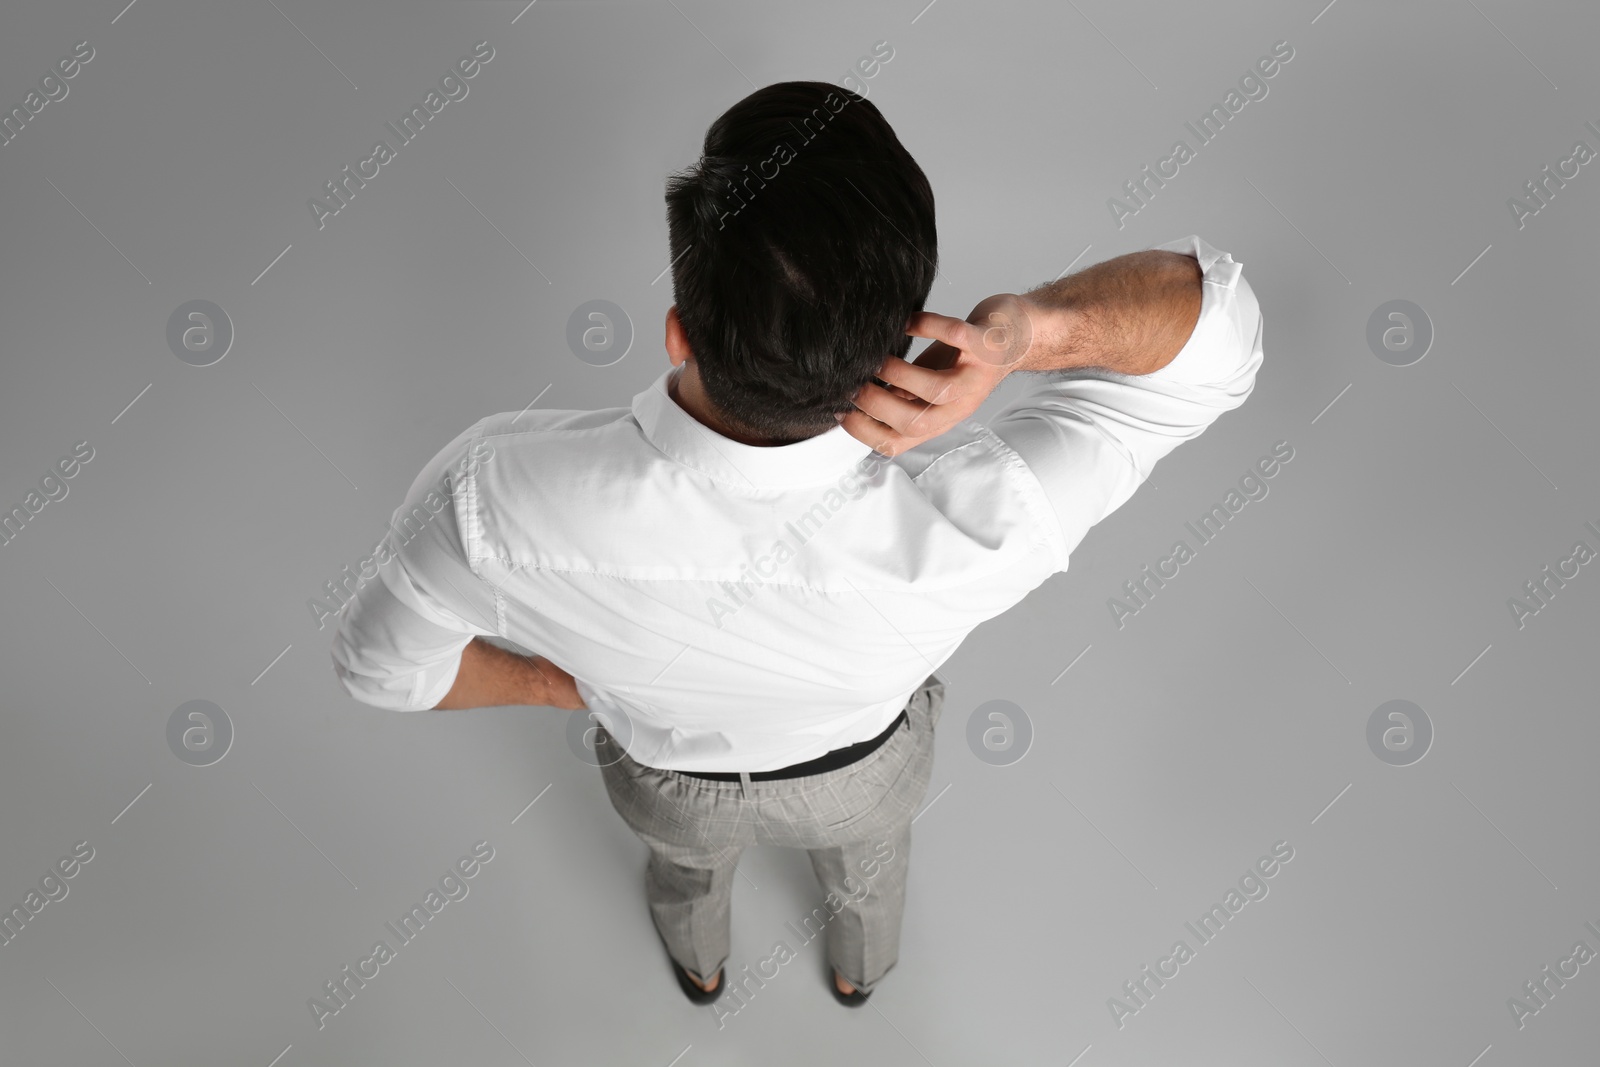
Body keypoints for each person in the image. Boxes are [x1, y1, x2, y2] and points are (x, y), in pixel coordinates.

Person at [329, 80, 1263, 1008]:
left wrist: (560, 684)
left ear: (676, 333)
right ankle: (861, 972)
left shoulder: (488, 492)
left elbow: (380, 670)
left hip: (666, 780)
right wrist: (1023, 334)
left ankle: (701, 967)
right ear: (898, 342)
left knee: (684, 874)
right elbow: (1221, 332)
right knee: (872, 870)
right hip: (864, 774)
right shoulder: (993, 519)